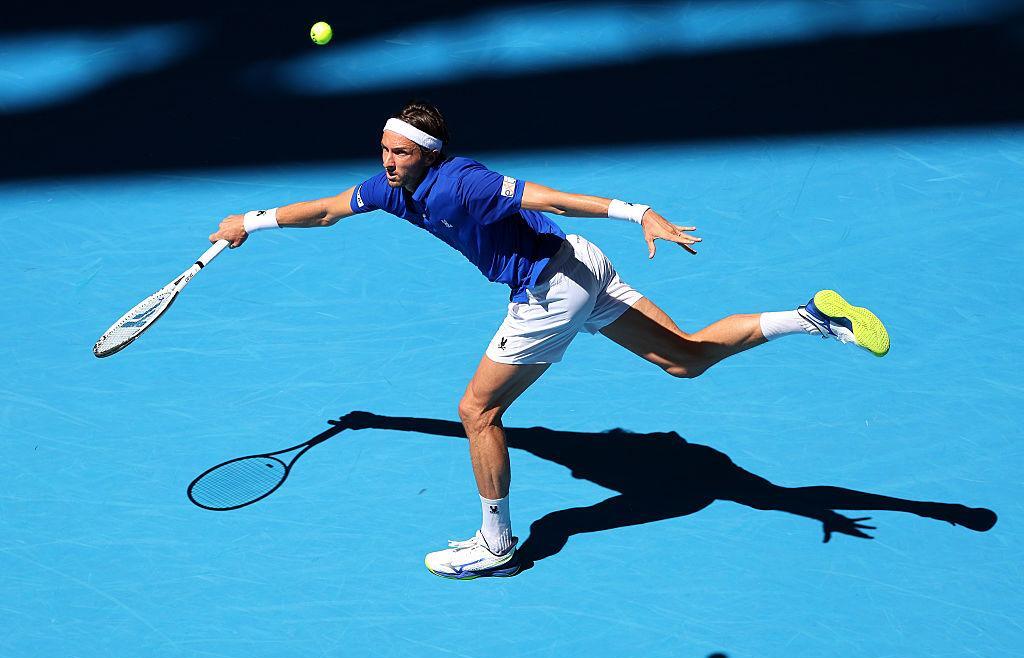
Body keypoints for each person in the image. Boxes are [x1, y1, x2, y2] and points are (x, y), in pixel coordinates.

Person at [209, 100, 890, 580]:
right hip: (583, 265)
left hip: (548, 289)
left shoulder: (465, 182)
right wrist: (254, 219)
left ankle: (496, 543)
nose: (389, 162)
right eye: (385, 150)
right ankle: (811, 317)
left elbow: (552, 200)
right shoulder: (391, 190)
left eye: (402, 153)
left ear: (429, 155)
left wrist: (639, 211)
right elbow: (327, 210)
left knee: (478, 411)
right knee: (683, 358)